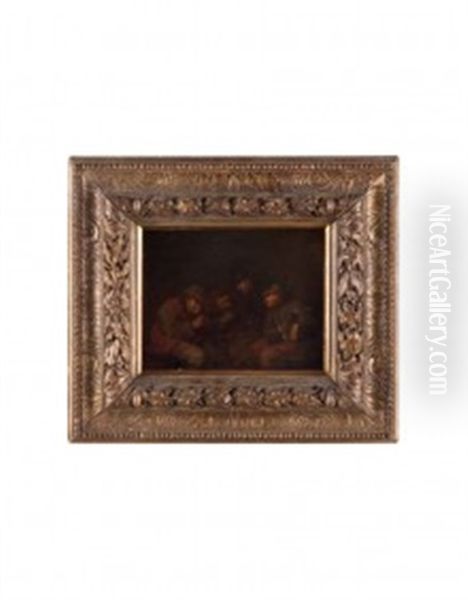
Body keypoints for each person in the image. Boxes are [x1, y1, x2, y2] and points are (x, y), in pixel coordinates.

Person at [251, 283, 312, 369]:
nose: (266, 300)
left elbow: (304, 325)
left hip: (297, 343)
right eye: (265, 297)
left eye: (269, 296)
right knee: (254, 348)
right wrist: (278, 333)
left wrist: (295, 327)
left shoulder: (295, 306)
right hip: (279, 340)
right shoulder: (272, 312)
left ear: (278, 295)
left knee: (266, 355)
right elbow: (267, 332)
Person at [149, 285, 208, 368]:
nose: (196, 305)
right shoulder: (170, 307)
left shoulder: (192, 312)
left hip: (176, 344)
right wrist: (191, 326)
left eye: (200, 303)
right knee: (197, 356)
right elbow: (170, 333)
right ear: (187, 298)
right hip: (163, 343)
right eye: (194, 300)